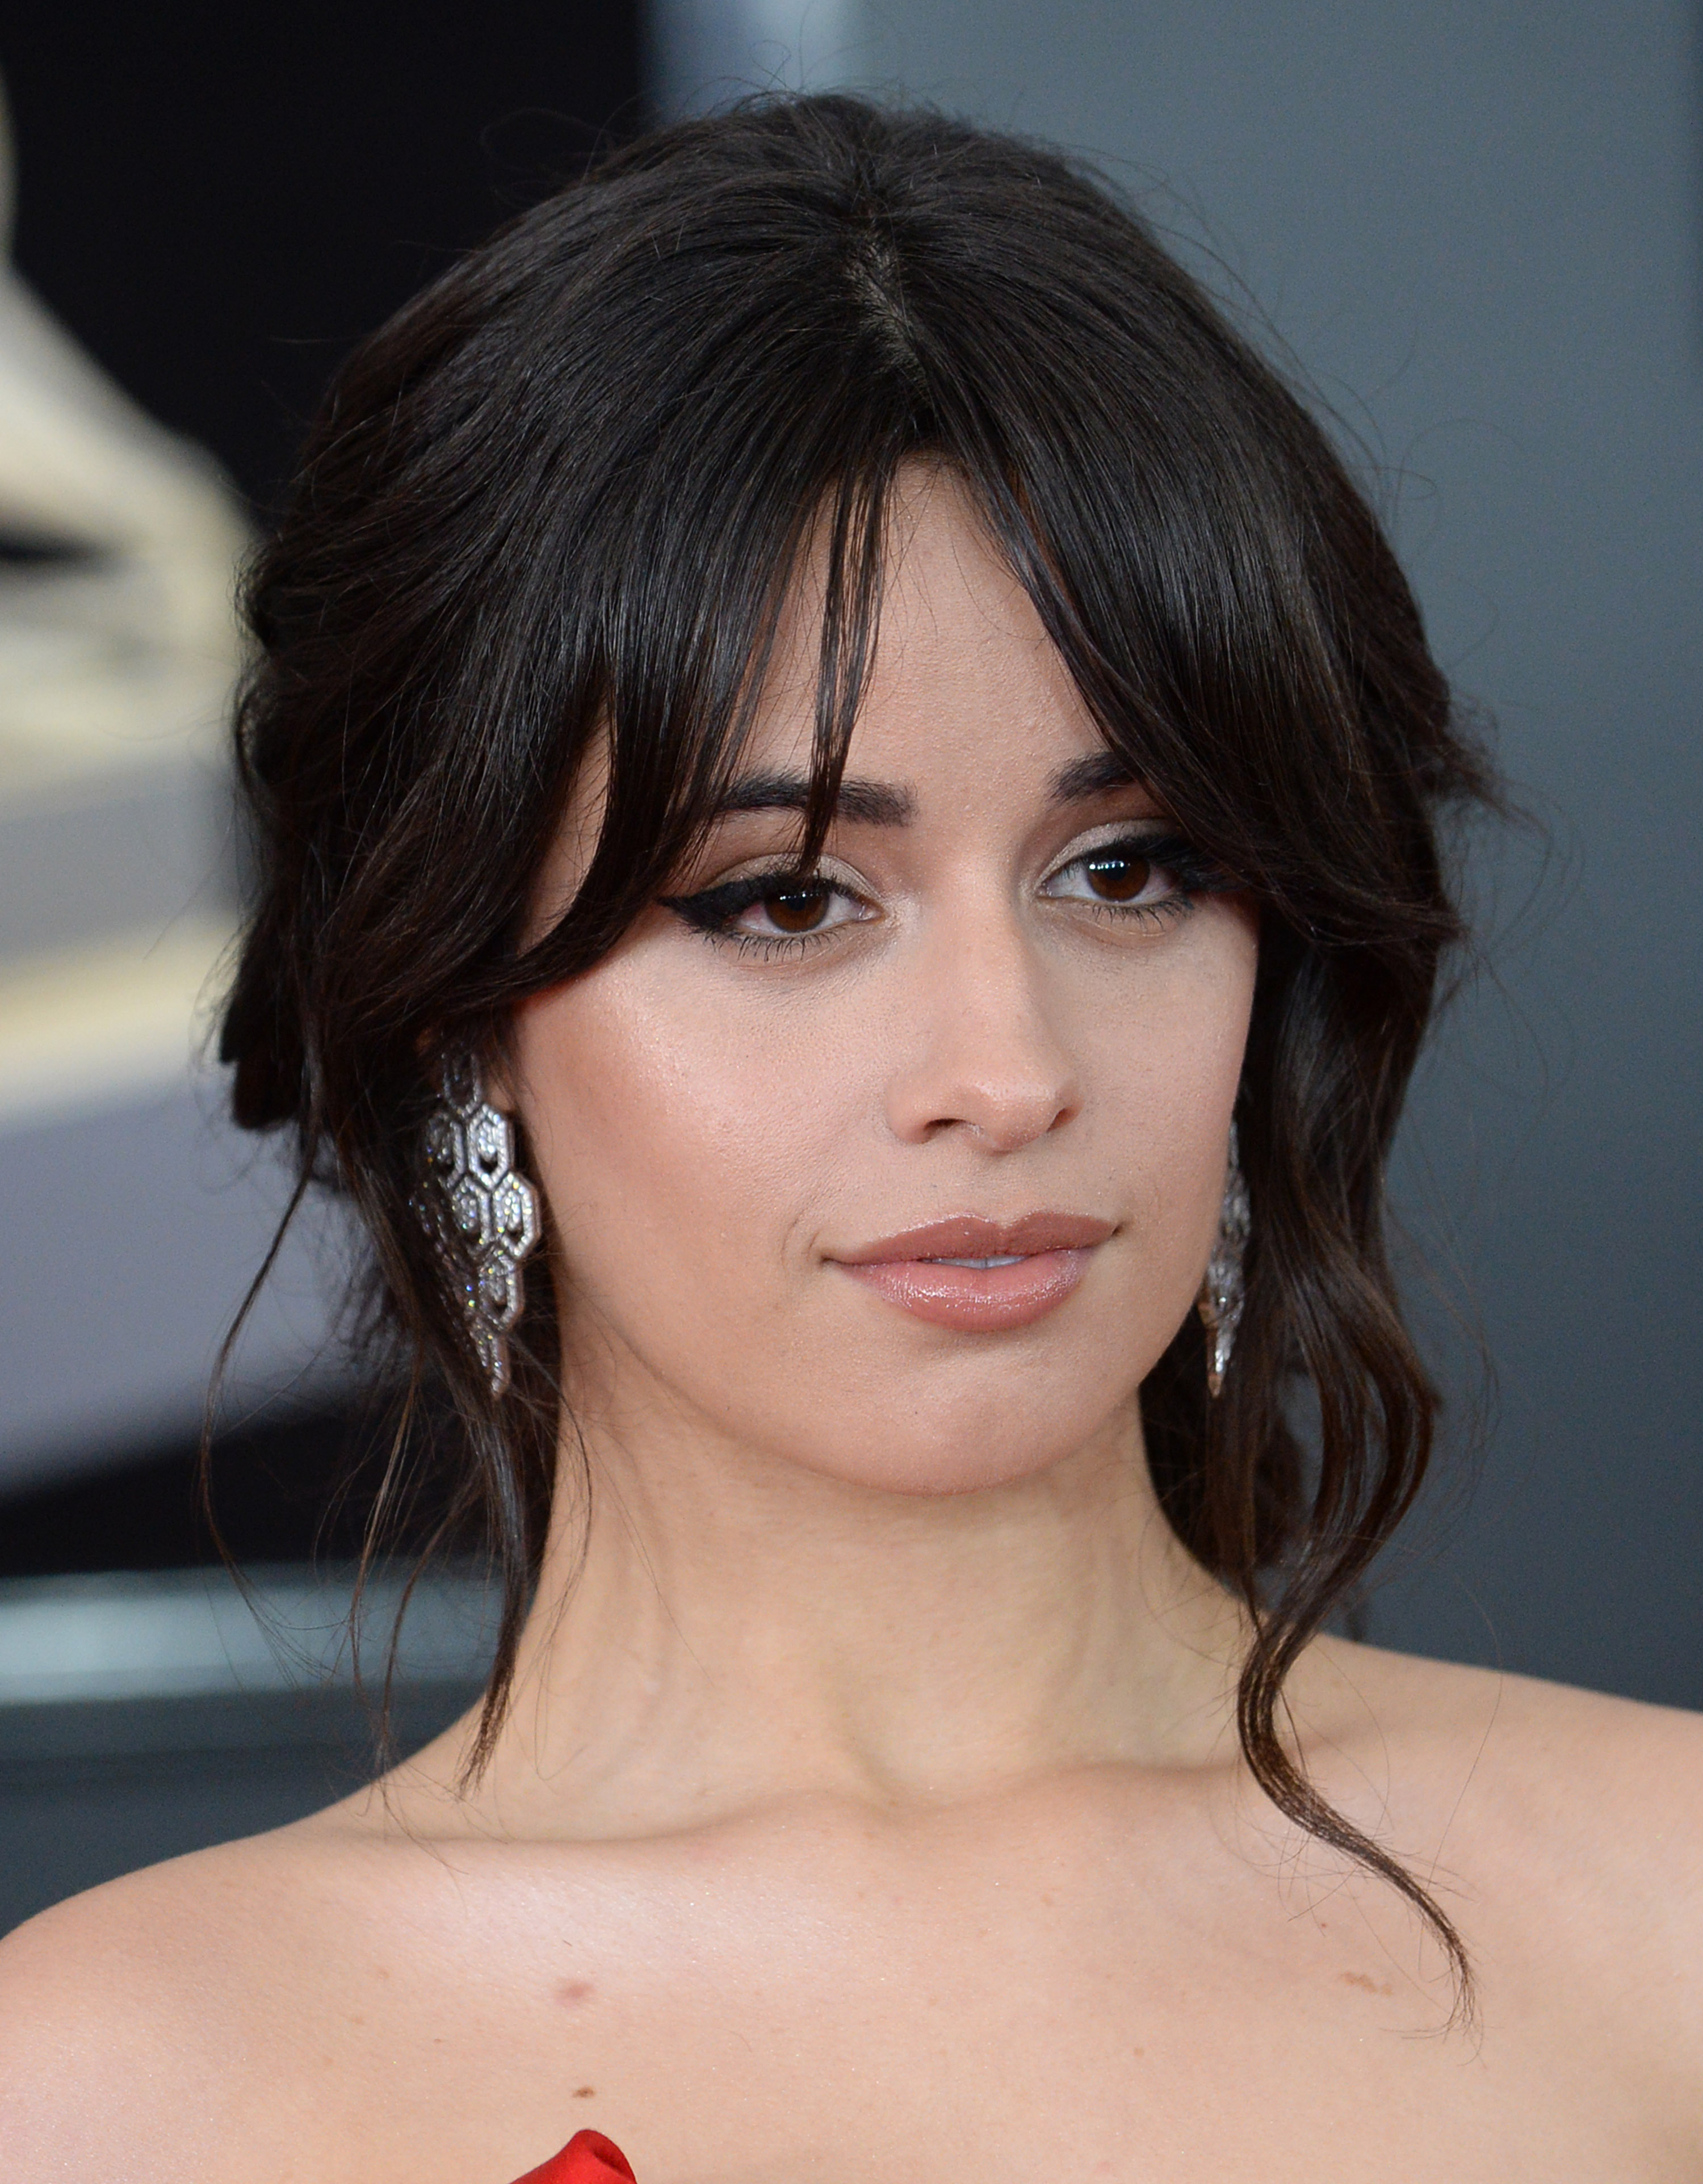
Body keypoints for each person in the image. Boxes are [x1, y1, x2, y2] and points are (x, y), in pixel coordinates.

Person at [2, 94, 1698, 2183]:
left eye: (1130, 871)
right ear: (460, 1007)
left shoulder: (1665, 1921)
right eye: (788, 900)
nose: (1007, 1067)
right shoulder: (108, 2092)